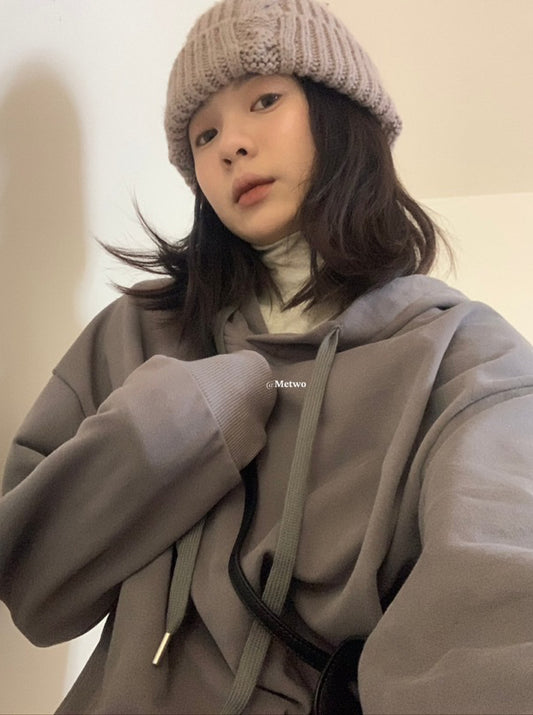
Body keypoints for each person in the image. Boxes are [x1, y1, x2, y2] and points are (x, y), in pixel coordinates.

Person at [1, 0, 533, 712]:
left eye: (264, 100)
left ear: (340, 112)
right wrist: (178, 423)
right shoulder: (134, 334)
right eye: (204, 134)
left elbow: (499, 593)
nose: (231, 145)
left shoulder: (465, 356)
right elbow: (33, 585)